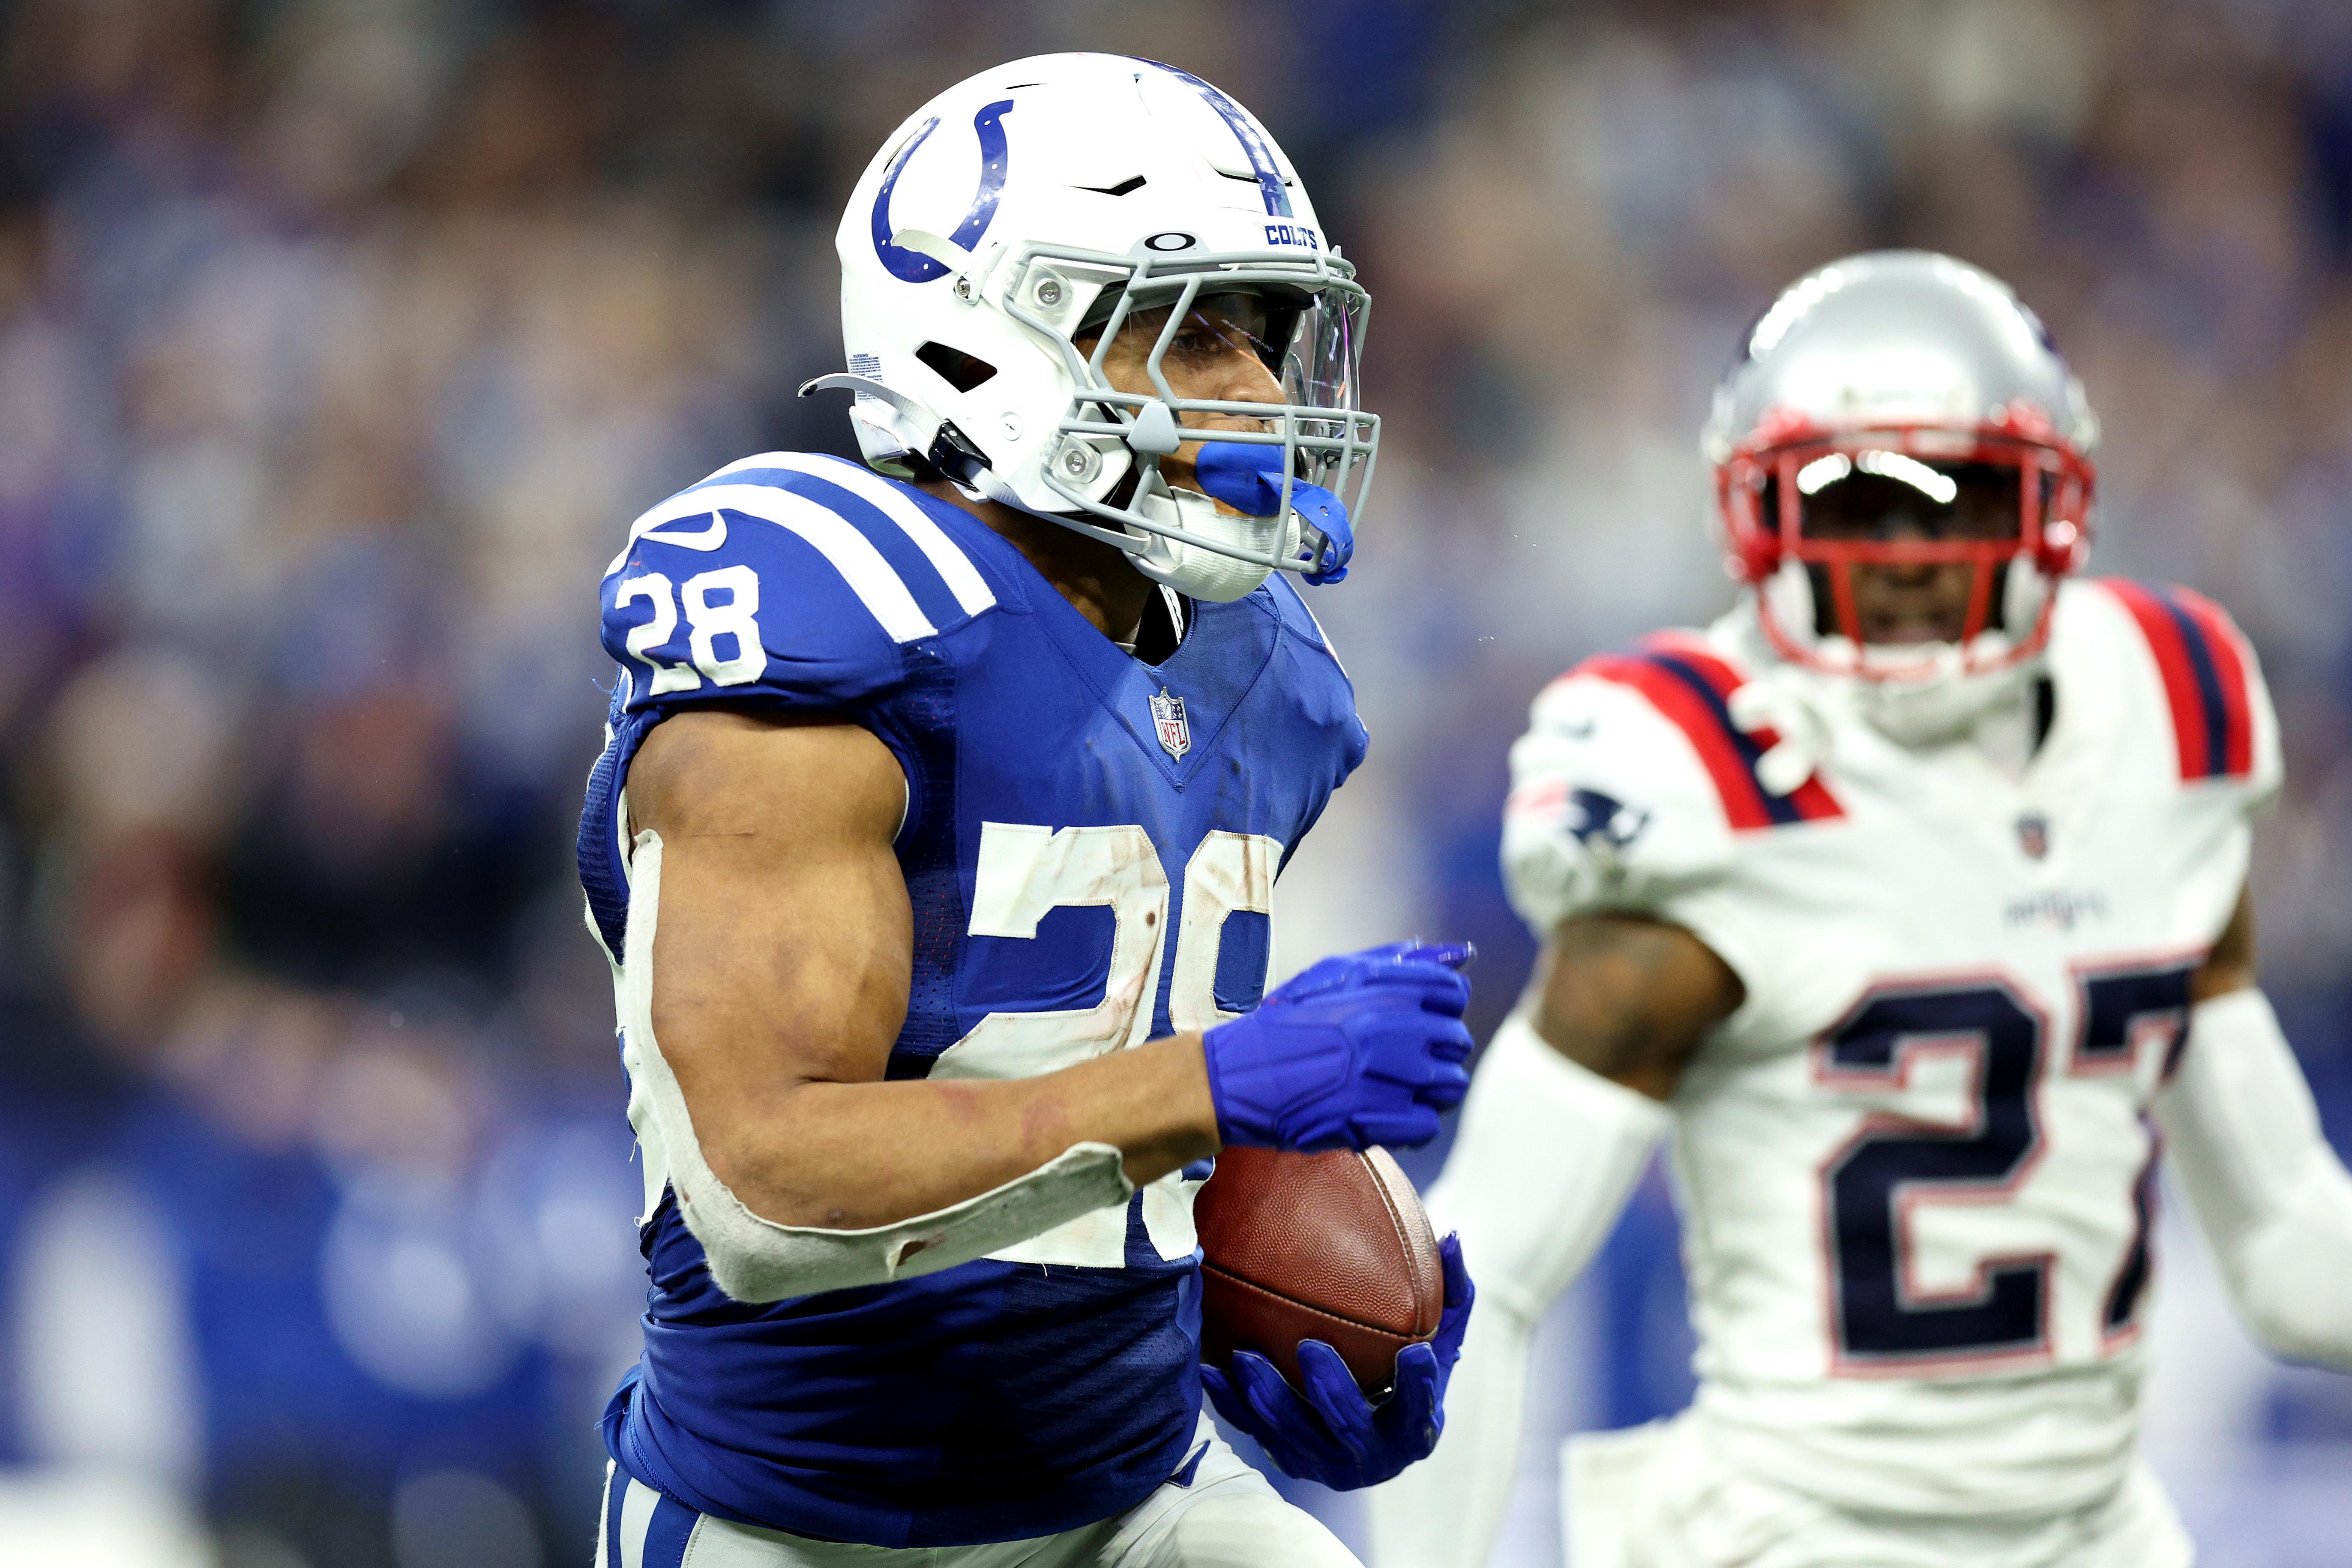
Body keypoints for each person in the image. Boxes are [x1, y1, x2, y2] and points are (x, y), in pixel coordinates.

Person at [576, 54, 1474, 1568]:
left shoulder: (1262, 667)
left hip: (1134, 1494)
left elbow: (1094, 1110)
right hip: (800, 1526)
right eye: (1188, 336)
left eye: (1262, 333)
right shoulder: (836, 625)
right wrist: (1209, 1081)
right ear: (986, 346)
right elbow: (765, 1193)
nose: (1256, 393)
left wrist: (1250, 1318)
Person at [1367, 250, 2352, 1568]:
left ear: (2053, 504)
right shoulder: (1699, 774)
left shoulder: (2166, 724)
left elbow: (2287, 1238)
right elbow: (1480, 1277)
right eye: (1850, 502)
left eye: (1959, 495)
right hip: (1792, 1533)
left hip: (2098, 1534)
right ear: (1753, 511)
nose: (1903, 555)